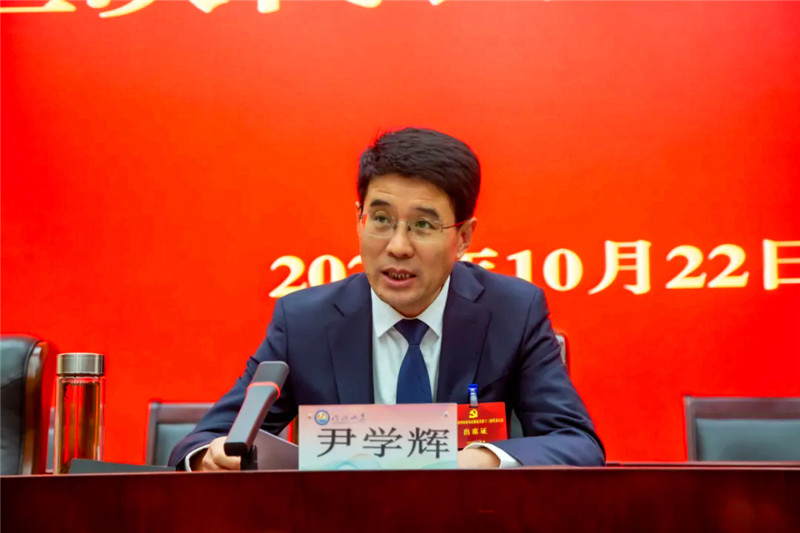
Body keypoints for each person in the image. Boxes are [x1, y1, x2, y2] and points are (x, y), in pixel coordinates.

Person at [169, 127, 604, 470]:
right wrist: (211, 458)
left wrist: (482, 459)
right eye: (380, 219)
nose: (397, 246)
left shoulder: (512, 312)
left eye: (423, 225)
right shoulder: (304, 322)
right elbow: (202, 442)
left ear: (464, 237)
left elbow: (576, 443)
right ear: (358, 220)